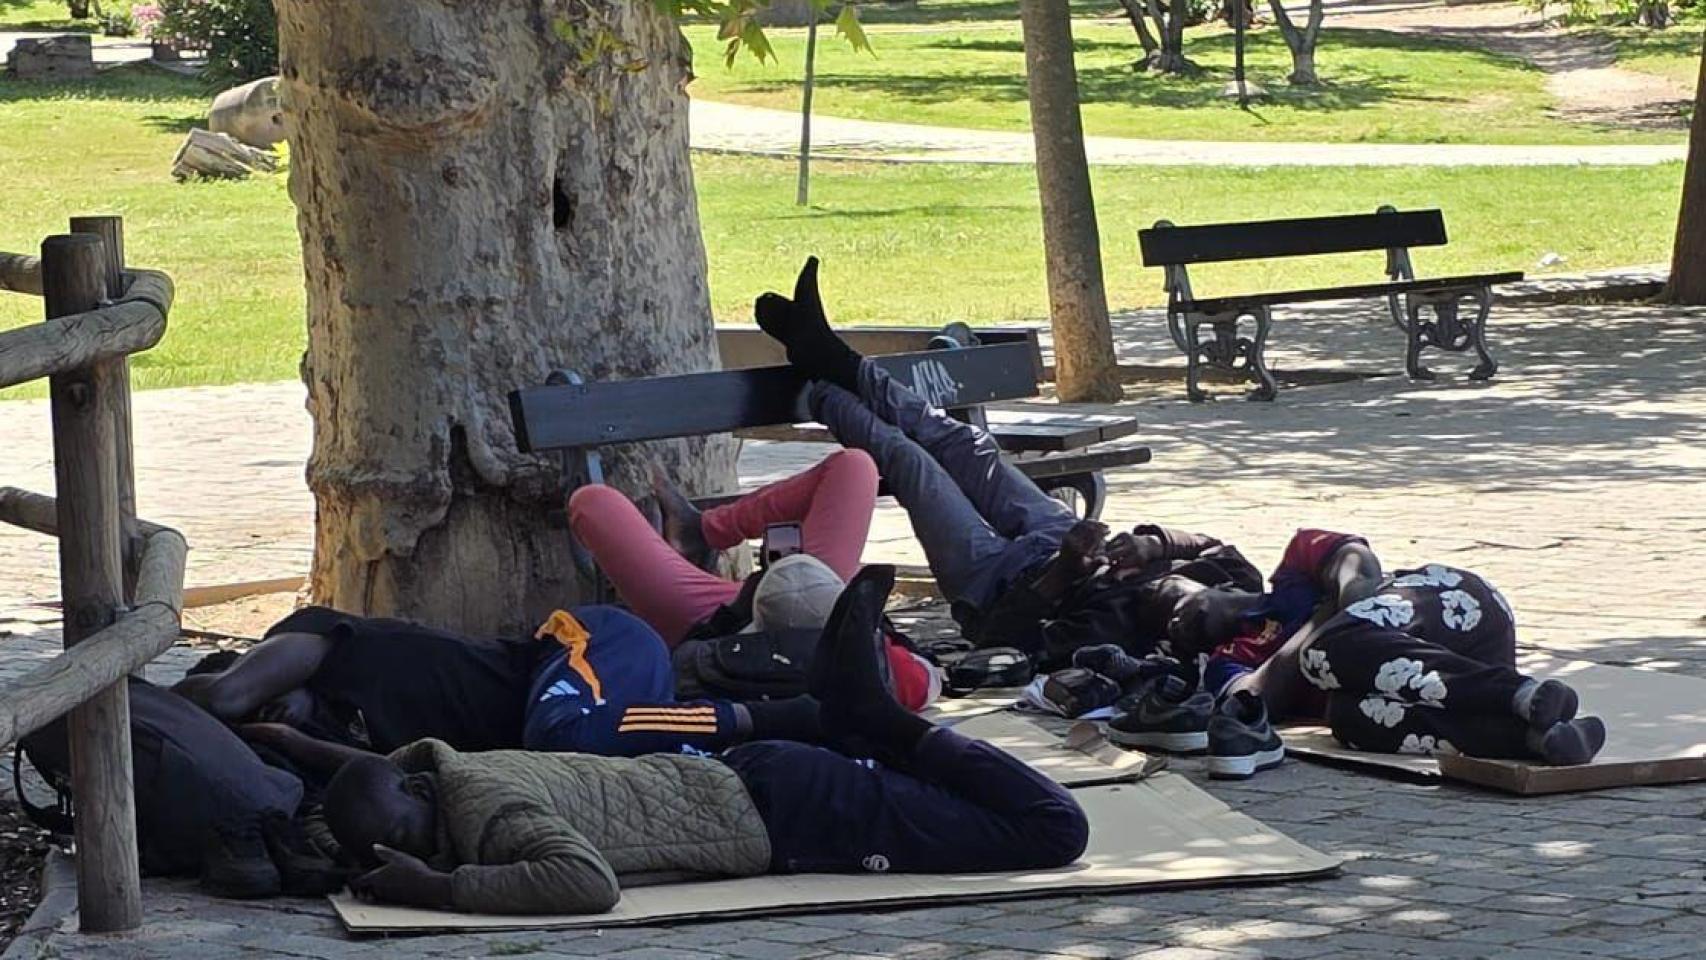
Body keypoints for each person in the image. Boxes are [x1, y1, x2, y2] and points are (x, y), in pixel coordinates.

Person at [322, 567, 1090, 915]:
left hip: (786, 813)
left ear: (422, 791)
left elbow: (586, 884)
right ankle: (868, 722)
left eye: (401, 838)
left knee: (1054, 829)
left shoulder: (488, 813)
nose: (401, 852)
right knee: (971, 807)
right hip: (765, 788)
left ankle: (877, 719)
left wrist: (440, 889)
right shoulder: (451, 772)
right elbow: (367, 787)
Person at [747, 257, 1260, 672]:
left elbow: (999, 641)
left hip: (991, 580)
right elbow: (1206, 544)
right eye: (1186, 605)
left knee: (915, 466)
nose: (1171, 613)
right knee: (967, 444)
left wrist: (1062, 574)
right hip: (1054, 534)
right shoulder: (1235, 576)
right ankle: (829, 355)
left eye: (1175, 627)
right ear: (1222, 592)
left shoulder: (1115, 635)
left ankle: (817, 391)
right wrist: (1154, 544)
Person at [1160, 528, 1606, 775]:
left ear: (1218, 584)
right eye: (1170, 629)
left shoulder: (1296, 561)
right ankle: (1537, 737)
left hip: (1457, 609)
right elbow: (1258, 701)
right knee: (1348, 717)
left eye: (1175, 599)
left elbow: (1360, 575)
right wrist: (1330, 613)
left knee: (1323, 653)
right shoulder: (1227, 662)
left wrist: (1333, 623)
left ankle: (1520, 693)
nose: (1175, 621)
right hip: (1442, 691)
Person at [184, 604, 826, 769]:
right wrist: (286, 736)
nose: (271, 708)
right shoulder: (330, 738)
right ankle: (812, 725)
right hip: (591, 722)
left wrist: (225, 699)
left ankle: (778, 713)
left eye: (265, 697)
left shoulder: (322, 636)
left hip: (600, 644)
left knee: (562, 735)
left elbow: (227, 697)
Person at [568, 462, 941, 710]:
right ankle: (701, 530)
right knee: (856, 466)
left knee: (592, 501)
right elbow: (929, 677)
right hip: (816, 596)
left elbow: (929, 677)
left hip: (713, 621)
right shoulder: (876, 672)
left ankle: (706, 530)